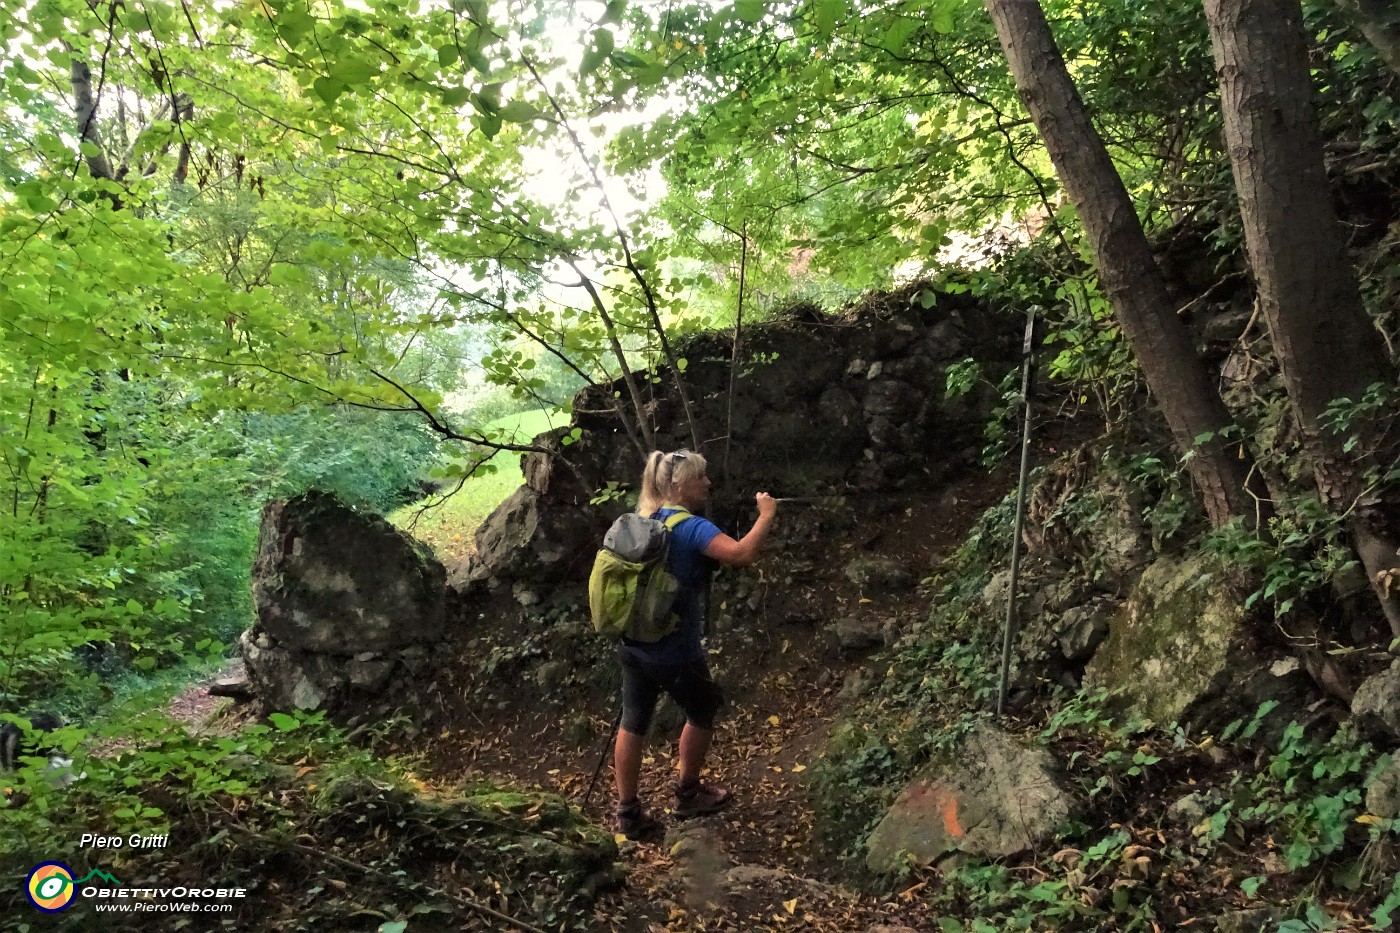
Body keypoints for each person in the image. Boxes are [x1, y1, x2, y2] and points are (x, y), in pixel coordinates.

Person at [613, 448, 779, 840]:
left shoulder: (644, 520)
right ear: (678, 485)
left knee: (633, 719)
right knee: (703, 708)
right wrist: (767, 515)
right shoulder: (689, 527)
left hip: (634, 643)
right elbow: (740, 553)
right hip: (674, 648)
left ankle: (628, 812)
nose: (707, 483)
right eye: (700, 477)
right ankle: (688, 793)